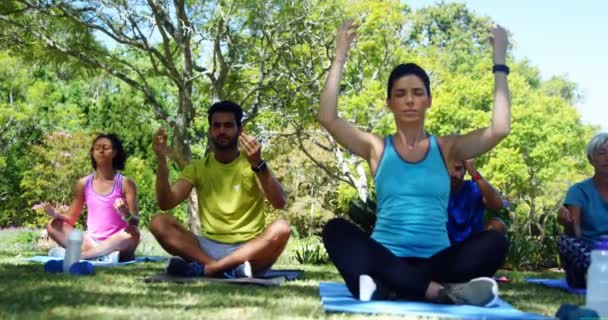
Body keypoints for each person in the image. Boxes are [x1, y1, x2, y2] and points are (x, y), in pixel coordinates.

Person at [320, 20, 511, 306]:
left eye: (417, 93)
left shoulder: (447, 148)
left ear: (429, 100)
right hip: (383, 256)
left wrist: (499, 61)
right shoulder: (376, 147)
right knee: (335, 229)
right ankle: (437, 292)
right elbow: (328, 118)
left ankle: (396, 286)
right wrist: (339, 57)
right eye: (400, 94)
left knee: (495, 241)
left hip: (436, 261)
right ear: (389, 103)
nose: (409, 100)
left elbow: (499, 129)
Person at [148, 100, 291, 278]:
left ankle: (208, 269)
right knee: (158, 222)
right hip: (207, 248)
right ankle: (223, 269)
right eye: (216, 126)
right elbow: (166, 203)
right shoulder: (198, 167)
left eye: (228, 125)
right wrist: (162, 162)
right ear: (210, 131)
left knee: (282, 228)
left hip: (249, 250)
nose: (222, 131)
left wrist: (259, 163)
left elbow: (279, 202)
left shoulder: (254, 165)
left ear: (240, 130)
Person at [46, 134, 140, 262]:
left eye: (106, 147)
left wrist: (126, 214)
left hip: (117, 241)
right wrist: (56, 214)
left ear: (114, 153)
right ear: (93, 153)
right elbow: (70, 219)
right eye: (97, 148)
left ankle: (79, 256)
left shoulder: (126, 183)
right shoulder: (83, 183)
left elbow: (135, 221)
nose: (101, 150)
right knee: (53, 225)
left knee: (133, 233)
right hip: (90, 241)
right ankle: (103, 255)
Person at [557, 132, 608, 288]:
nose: (607, 157)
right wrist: (568, 224)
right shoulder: (578, 191)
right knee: (566, 242)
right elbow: (575, 235)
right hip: (588, 255)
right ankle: (592, 276)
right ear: (591, 159)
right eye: (602, 153)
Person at [448, 159, 506, 244]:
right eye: (448, 169)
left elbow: (498, 205)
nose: (453, 174)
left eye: (458, 169)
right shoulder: (433, 192)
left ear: (465, 170)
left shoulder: (473, 188)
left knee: (498, 225)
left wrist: (474, 173)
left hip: (473, 248)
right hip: (443, 248)